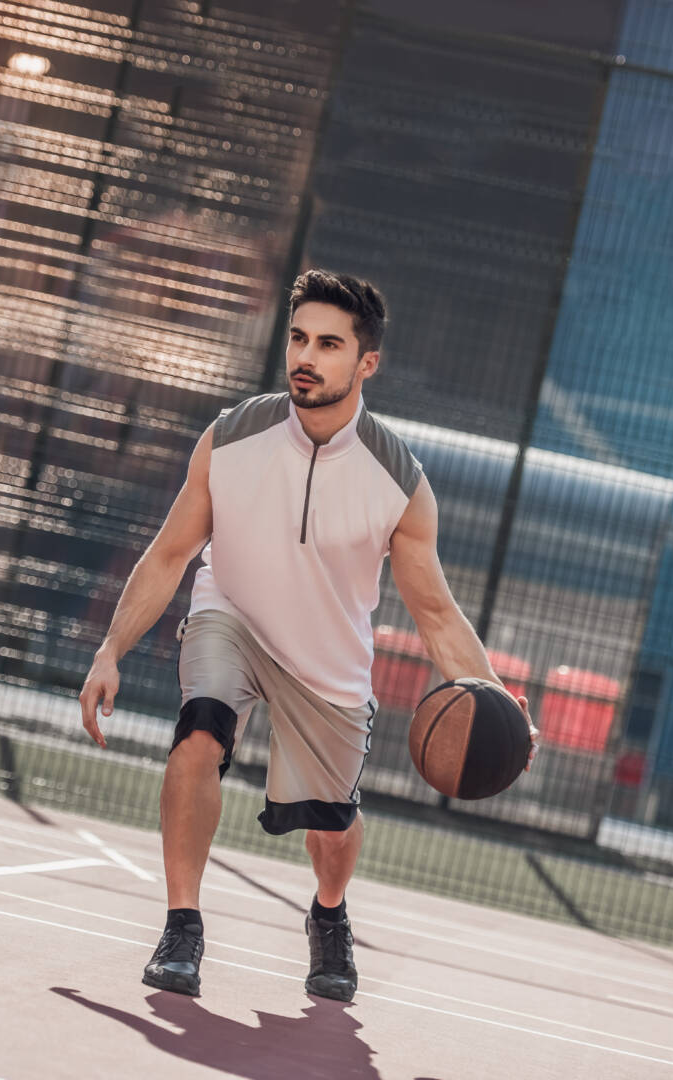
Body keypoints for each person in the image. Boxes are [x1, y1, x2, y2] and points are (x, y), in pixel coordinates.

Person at [78, 269, 537, 1003]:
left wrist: (498, 702)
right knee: (200, 734)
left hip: (327, 663)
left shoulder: (399, 482)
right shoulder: (231, 439)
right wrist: (110, 651)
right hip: (230, 615)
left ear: (366, 364)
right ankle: (182, 926)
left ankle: (328, 915)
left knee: (331, 831)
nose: (307, 356)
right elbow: (169, 554)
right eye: (298, 338)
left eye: (329, 343)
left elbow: (436, 613)